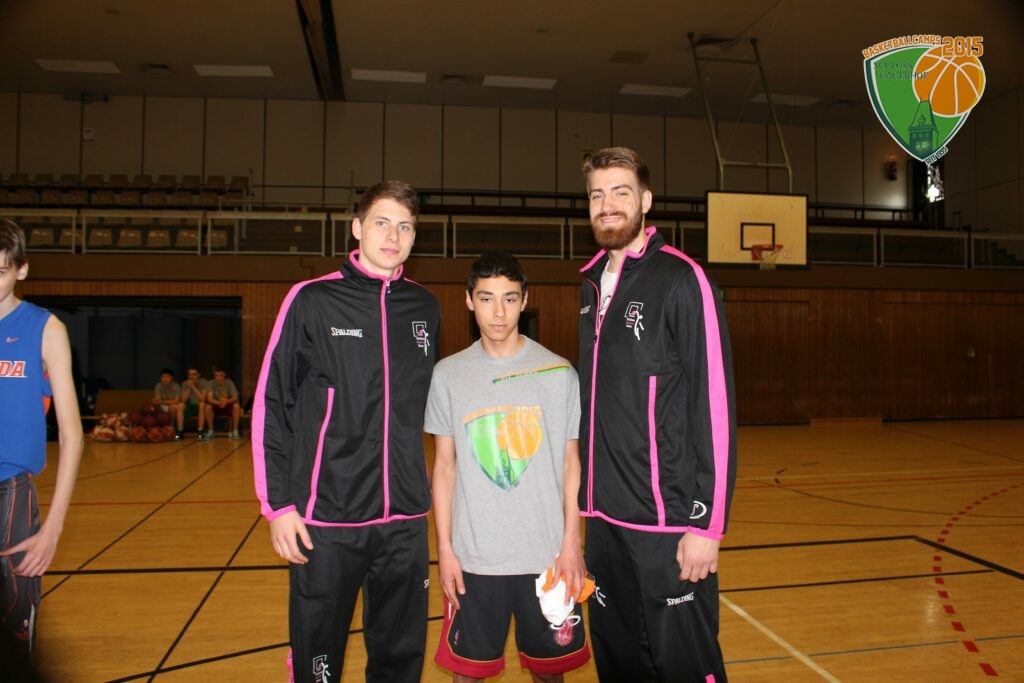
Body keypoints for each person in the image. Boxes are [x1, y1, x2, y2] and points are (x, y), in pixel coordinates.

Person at [252, 180, 440, 683]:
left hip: (404, 517)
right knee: (318, 657)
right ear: (357, 228)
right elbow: (273, 401)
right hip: (327, 517)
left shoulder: (424, 308)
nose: (393, 236)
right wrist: (279, 506)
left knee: (400, 658)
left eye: (405, 227)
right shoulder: (312, 300)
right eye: (382, 223)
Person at [577, 147, 737, 682]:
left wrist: (706, 525)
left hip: (666, 524)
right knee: (620, 666)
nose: (607, 205)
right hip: (604, 523)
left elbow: (714, 405)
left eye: (620, 192)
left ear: (645, 201)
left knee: (685, 667)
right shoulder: (589, 285)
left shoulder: (682, 279)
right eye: (597, 195)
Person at [427, 252, 590, 682]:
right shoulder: (448, 375)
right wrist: (445, 550)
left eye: (509, 298)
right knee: (468, 674)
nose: (498, 312)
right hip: (474, 560)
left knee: (549, 673)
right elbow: (444, 468)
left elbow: (571, 464)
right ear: (469, 301)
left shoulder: (560, 373)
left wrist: (571, 543)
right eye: (486, 298)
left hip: (548, 557)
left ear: (524, 301)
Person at [0, 218, 83, 678]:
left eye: (0, 272)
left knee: (14, 631)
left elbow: (72, 434)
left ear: (22, 270)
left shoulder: (45, 328)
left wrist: (52, 529)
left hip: (9, 492)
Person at [204, 367, 240, 440]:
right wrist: (219, 403)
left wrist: (226, 402)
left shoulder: (229, 382)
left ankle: (235, 431)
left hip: (227, 404)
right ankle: (210, 431)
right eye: (216, 375)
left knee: (236, 406)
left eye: (220, 375)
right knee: (208, 407)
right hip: (216, 405)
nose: (218, 377)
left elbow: (235, 397)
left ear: (224, 375)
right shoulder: (211, 383)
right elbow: (209, 398)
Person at [152, 368, 185, 440]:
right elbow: (158, 401)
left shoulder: (176, 386)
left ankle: (178, 430)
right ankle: (171, 429)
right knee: (172, 407)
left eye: (167, 377)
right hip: (163, 407)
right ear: (160, 378)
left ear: (172, 378)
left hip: (174, 406)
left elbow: (176, 401)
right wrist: (167, 401)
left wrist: (163, 401)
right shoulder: (158, 386)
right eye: (163, 377)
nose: (165, 379)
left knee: (176, 406)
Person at [180, 366, 208, 439]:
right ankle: (180, 431)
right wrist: (189, 387)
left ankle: (200, 431)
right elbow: (183, 400)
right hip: (189, 405)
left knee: (202, 404)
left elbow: (203, 399)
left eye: (194, 374)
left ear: (198, 375)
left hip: (198, 405)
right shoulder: (185, 383)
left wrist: (193, 386)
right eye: (189, 374)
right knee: (180, 405)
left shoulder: (204, 382)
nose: (191, 376)